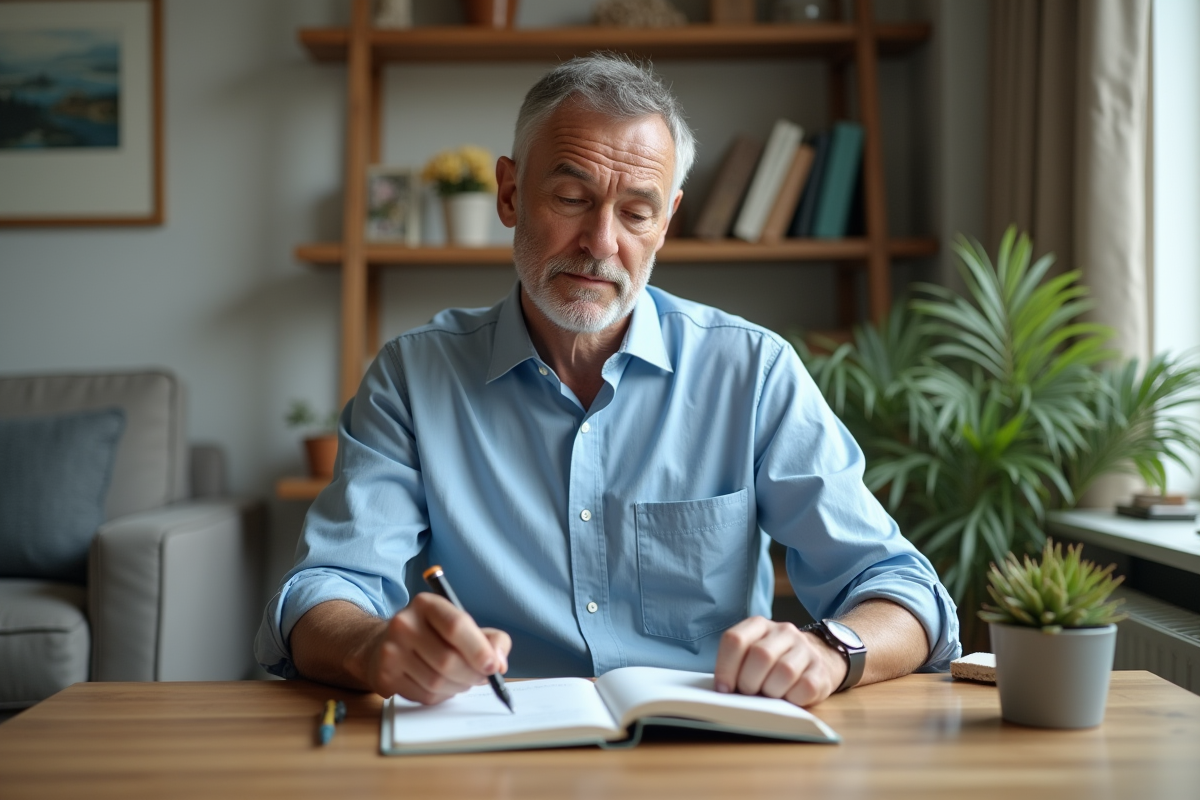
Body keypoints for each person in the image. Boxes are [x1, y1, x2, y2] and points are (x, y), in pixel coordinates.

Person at [256, 53, 960, 709]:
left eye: (636, 212)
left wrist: (830, 651)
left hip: (705, 752)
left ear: (667, 224)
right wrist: (373, 647)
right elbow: (324, 590)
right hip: (492, 748)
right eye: (571, 197)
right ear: (510, 193)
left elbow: (903, 590)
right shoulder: (413, 378)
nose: (600, 243)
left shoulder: (752, 371)